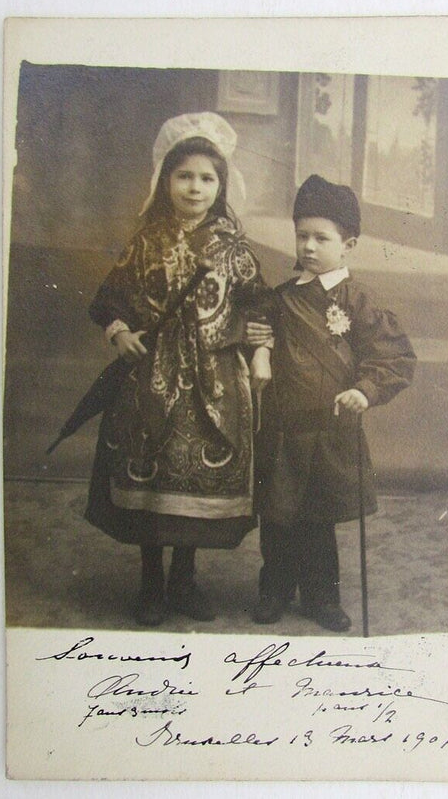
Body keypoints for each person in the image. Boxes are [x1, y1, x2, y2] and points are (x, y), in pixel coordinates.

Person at [85, 112, 272, 627]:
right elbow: (108, 300)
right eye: (184, 176)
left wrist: (259, 350)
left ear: (221, 185)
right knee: (152, 473)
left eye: (207, 178)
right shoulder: (146, 241)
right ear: (165, 181)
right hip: (151, 377)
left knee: (195, 483)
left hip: (214, 381)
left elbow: (260, 305)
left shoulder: (235, 247)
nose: (195, 187)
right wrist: (120, 333)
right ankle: (150, 582)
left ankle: (183, 580)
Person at [247, 174, 416, 632]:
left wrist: (364, 389)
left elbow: (394, 357)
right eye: (302, 235)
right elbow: (250, 329)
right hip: (283, 428)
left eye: (321, 237)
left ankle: (322, 597)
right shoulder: (280, 300)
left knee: (318, 520)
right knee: (278, 517)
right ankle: (275, 589)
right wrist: (258, 344)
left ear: (349, 244)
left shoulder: (360, 301)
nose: (308, 246)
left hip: (330, 429)